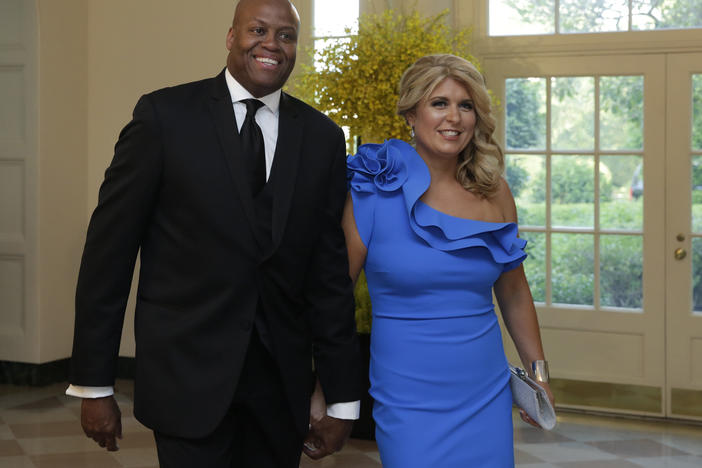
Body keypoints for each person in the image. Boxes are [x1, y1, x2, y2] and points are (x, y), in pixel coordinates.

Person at [66, 1, 362, 466]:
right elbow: (109, 255)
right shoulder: (164, 118)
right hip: (185, 379)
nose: (272, 44)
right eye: (258, 30)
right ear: (231, 37)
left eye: (286, 36)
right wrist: (94, 383)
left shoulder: (322, 137)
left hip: (279, 391)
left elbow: (328, 275)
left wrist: (342, 398)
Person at [342, 54, 555, 466]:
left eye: (466, 105)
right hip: (405, 395)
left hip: (484, 391)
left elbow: (514, 293)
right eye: (439, 103)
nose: (453, 117)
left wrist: (539, 376)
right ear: (410, 113)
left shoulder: (495, 192)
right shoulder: (371, 189)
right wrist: (326, 385)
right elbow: (336, 295)